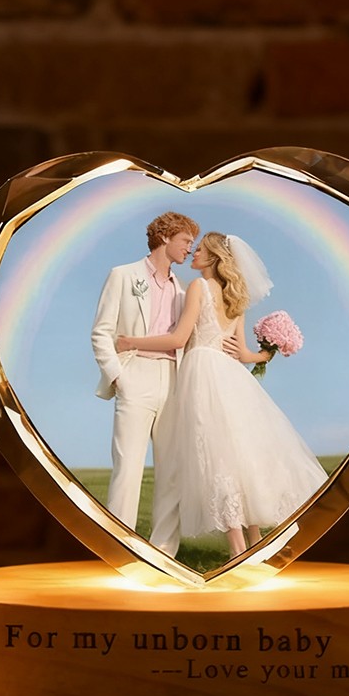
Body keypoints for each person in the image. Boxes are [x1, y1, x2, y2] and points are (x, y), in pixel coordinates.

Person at [116, 232, 327, 560]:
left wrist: (130, 342)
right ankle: (255, 543)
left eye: (199, 249)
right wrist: (267, 353)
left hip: (203, 372)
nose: (194, 253)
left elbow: (179, 339)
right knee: (240, 454)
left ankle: (238, 551)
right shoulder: (236, 299)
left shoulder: (199, 287)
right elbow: (244, 354)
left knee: (216, 458)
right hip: (231, 375)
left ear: (214, 257)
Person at [91, 211, 200, 556]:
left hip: (173, 380)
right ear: (165, 237)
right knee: (128, 467)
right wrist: (119, 377)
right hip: (134, 375)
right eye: (186, 240)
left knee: (172, 471)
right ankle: (119, 551)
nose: (190, 248)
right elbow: (102, 332)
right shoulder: (123, 275)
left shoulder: (184, 290)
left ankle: (164, 553)